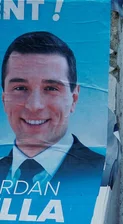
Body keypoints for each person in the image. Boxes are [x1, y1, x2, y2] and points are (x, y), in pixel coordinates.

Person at [0, 32, 105, 185]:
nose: (34, 106)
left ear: (74, 98)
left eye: (50, 88)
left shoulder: (102, 172)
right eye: (21, 88)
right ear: (4, 99)